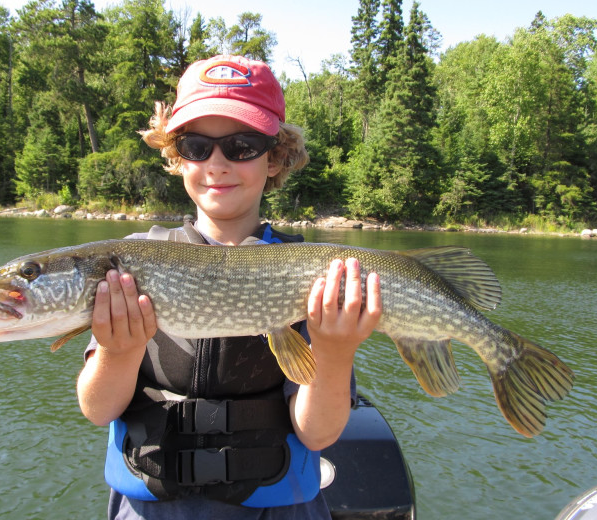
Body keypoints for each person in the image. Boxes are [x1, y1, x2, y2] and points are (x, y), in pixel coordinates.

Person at [76, 54, 382, 520]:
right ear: (177, 157)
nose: (216, 164)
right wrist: (118, 353)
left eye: (241, 146)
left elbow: (317, 434)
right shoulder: (130, 265)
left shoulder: (313, 272)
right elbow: (99, 410)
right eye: (197, 146)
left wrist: (335, 353)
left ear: (275, 157)